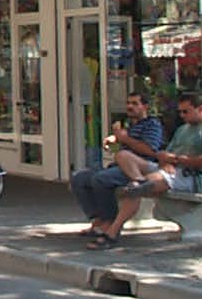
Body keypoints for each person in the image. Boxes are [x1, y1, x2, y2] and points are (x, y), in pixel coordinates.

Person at [84, 92, 202, 250]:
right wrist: (166, 160)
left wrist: (179, 160)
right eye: (180, 112)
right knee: (123, 156)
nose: (182, 116)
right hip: (167, 169)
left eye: (186, 111)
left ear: (200, 109)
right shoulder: (182, 130)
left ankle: (112, 232)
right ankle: (140, 180)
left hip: (190, 176)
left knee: (133, 189)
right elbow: (162, 153)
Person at [70, 91, 166, 240]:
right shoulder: (129, 124)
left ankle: (110, 221)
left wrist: (125, 139)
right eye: (128, 103)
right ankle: (98, 219)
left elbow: (150, 150)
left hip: (137, 168)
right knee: (79, 178)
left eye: (135, 104)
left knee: (101, 179)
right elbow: (124, 141)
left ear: (145, 107)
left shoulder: (152, 125)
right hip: (118, 165)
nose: (130, 107)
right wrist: (114, 139)